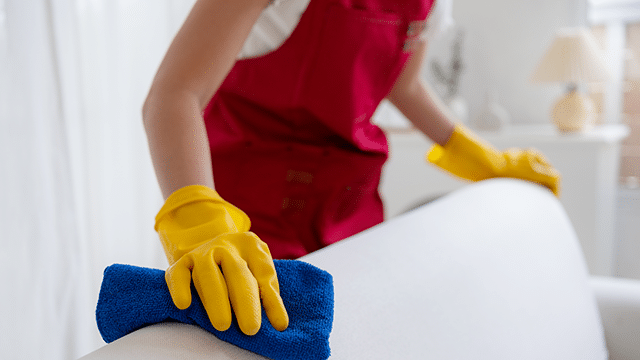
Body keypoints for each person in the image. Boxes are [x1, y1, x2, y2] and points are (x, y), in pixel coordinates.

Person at [143, 0, 561, 337]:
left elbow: (405, 85)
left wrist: (478, 155)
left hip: (349, 207)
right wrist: (199, 220)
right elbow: (176, 94)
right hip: (252, 214)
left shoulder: (427, 4)